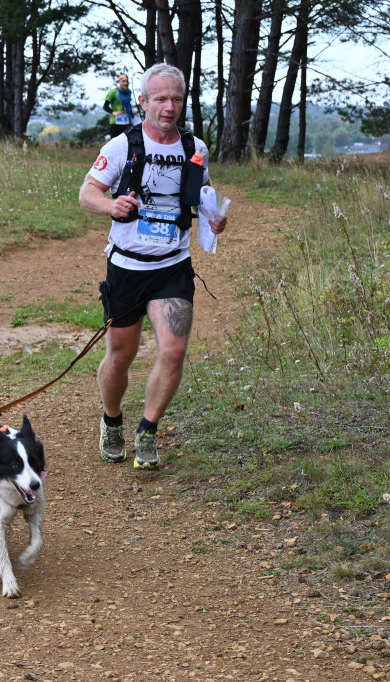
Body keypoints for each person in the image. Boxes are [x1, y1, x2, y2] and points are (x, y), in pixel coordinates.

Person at [78, 63, 228, 469]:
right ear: (142, 101)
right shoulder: (121, 147)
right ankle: (112, 420)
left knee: (174, 350)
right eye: (160, 98)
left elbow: (200, 196)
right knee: (119, 357)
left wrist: (213, 216)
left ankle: (148, 429)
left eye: (176, 98)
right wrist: (112, 204)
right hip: (127, 267)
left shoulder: (194, 147)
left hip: (172, 266)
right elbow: (87, 193)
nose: (169, 106)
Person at [103, 73, 137, 139]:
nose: (125, 83)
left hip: (127, 123)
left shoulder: (129, 92)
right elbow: (105, 106)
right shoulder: (113, 92)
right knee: (116, 146)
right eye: (123, 81)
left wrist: (132, 115)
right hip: (116, 123)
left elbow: (128, 105)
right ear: (120, 82)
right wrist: (113, 112)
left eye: (127, 81)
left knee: (128, 145)